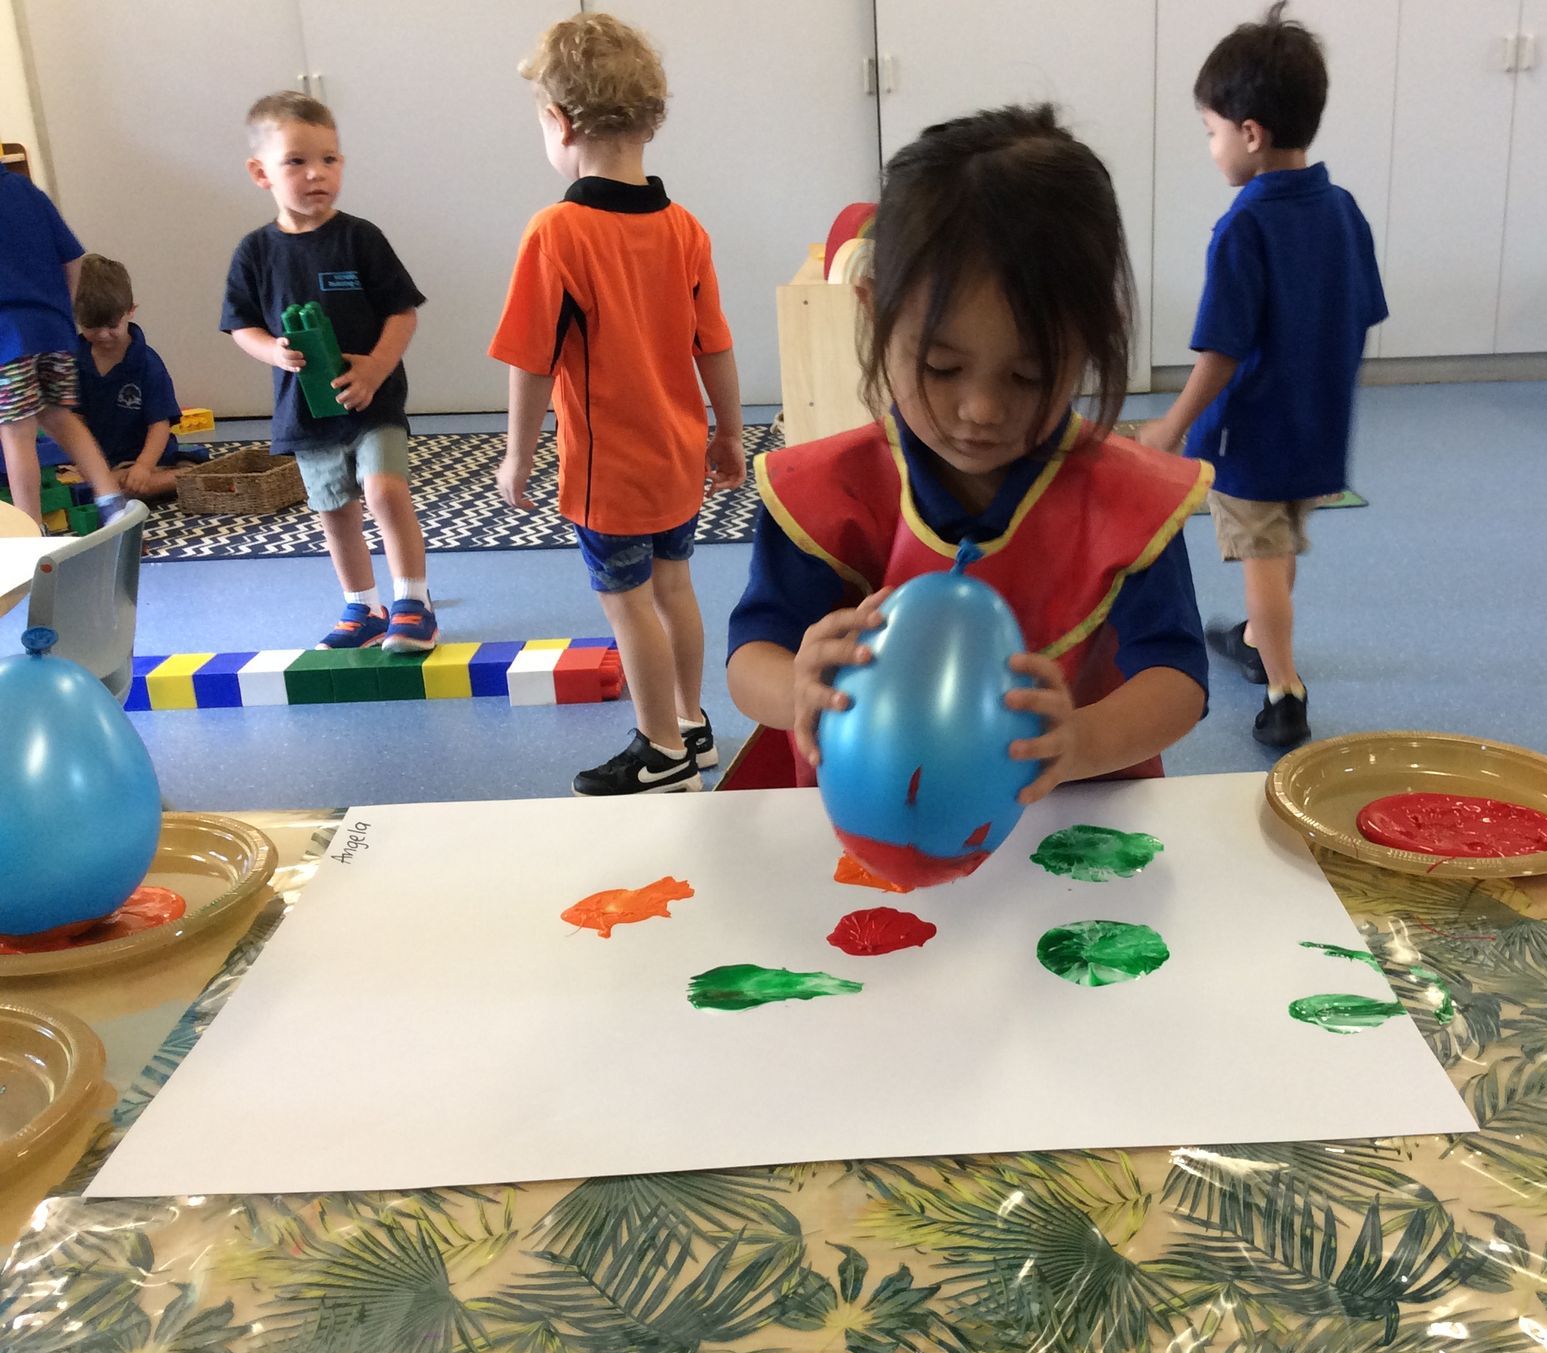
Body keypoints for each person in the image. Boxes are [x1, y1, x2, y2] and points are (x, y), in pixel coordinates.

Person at [728, 104, 1210, 808]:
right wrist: (795, 685)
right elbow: (751, 659)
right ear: (873, 314)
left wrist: (1081, 740)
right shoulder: (829, 496)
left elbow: (1178, 679)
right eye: (942, 368)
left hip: (1074, 831)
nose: (982, 410)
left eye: (1029, 375)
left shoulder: (1122, 504)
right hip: (875, 822)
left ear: (1089, 340)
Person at [492, 13, 745, 797]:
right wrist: (730, 434)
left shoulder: (558, 232)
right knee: (675, 589)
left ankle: (659, 749)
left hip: (611, 475)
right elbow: (716, 346)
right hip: (678, 456)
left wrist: (515, 452)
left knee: (625, 601)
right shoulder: (684, 228)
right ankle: (693, 724)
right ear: (649, 121)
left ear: (558, 122)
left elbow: (532, 362)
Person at [1138, 2, 1387, 750]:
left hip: (1251, 438)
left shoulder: (1244, 225)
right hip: (1318, 432)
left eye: (1211, 132)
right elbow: (1361, 315)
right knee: (1280, 555)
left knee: (1262, 561)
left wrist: (1173, 426)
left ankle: (1284, 691)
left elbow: (1221, 349)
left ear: (1251, 133)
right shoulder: (1342, 210)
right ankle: (1255, 639)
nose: (1211, 148)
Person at [221, 91, 437, 653]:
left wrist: (377, 368)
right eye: (296, 161)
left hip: (372, 400)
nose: (317, 173)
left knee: (385, 489)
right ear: (260, 172)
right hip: (305, 409)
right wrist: (271, 352)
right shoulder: (254, 253)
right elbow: (241, 324)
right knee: (334, 509)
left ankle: (413, 601)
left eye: (330, 159)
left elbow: (402, 311)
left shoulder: (360, 237)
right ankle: (362, 606)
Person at [0, 169, 124, 531]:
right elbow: (73, 259)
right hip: (53, 329)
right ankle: (111, 499)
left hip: (7, 337)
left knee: (14, 431)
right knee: (59, 416)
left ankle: (29, 528)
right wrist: (62, 312)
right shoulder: (23, 188)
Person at [37, 255, 209, 501]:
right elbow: (73, 419)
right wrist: (85, 463)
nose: (103, 335)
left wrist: (143, 466)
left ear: (130, 312)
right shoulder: (74, 359)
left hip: (144, 458)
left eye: (111, 325)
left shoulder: (147, 364)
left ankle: (185, 474)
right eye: (91, 327)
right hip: (99, 460)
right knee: (63, 484)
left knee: (128, 485)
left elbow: (159, 425)